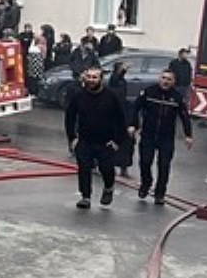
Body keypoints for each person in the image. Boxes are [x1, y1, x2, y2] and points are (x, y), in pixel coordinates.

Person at [64, 65, 128, 209]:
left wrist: (117, 141)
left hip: (106, 142)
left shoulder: (111, 97)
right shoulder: (79, 96)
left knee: (106, 169)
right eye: (89, 77)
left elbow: (120, 120)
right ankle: (85, 197)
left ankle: (108, 188)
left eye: (95, 77)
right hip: (85, 140)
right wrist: (72, 138)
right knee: (84, 168)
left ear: (101, 79)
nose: (91, 80)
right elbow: (70, 117)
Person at [130, 69, 195, 206]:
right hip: (148, 134)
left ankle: (160, 194)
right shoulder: (149, 92)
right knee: (145, 162)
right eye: (163, 78)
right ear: (159, 78)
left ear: (173, 82)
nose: (165, 81)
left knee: (164, 166)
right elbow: (135, 108)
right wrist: (133, 125)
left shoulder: (177, 97)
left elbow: (184, 116)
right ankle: (146, 184)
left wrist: (188, 135)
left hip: (166, 137)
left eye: (169, 79)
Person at [106, 61, 135, 177]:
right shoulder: (114, 80)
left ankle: (124, 168)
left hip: (122, 109)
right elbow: (116, 77)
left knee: (126, 143)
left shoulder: (121, 83)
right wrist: (122, 69)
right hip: (113, 110)